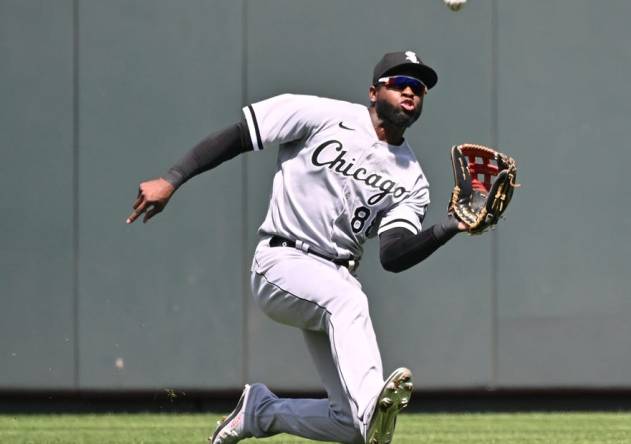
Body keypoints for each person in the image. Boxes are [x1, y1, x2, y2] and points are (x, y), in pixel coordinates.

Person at [127, 50, 466, 444]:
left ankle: (262, 413)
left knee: (352, 426)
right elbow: (239, 135)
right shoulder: (320, 114)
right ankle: (373, 400)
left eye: (419, 88)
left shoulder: (413, 179)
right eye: (401, 84)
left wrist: (451, 225)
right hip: (281, 260)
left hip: (333, 278)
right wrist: (173, 178)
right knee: (350, 303)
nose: (411, 93)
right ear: (374, 92)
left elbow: (392, 255)